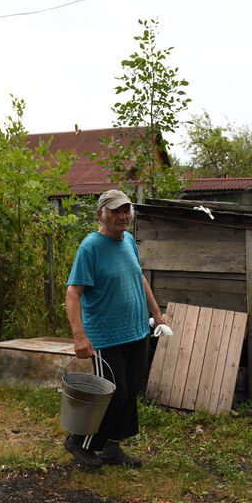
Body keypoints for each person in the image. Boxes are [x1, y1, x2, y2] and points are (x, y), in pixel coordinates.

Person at [64, 189, 166, 467]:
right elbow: (73, 294)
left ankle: (112, 448)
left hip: (135, 331)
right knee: (114, 392)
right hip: (106, 337)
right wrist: (79, 335)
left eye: (126, 210)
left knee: (130, 390)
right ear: (101, 214)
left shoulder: (129, 241)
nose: (123, 216)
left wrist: (157, 314)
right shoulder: (90, 247)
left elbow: (139, 278)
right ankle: (79, 441)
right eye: (116, 211)